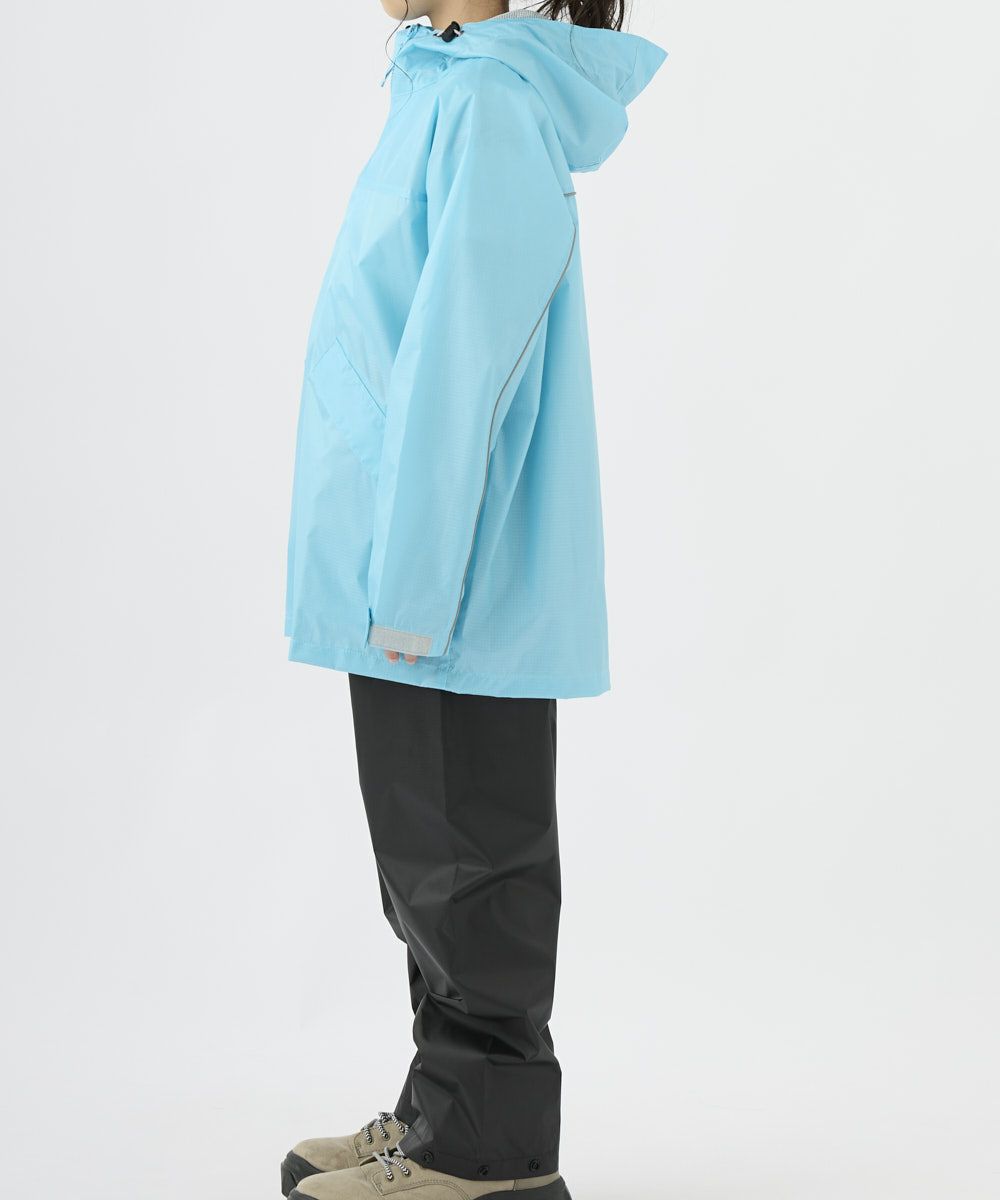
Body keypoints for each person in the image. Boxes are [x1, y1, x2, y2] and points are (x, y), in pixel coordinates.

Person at [281, 2, 665, 1197]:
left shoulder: (491, 107)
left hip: (448, 585)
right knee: (425, 868)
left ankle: (488, 1155)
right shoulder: (442, 87)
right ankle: (440, 1112)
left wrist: (414, 586)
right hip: (402, 572)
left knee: (470, 862)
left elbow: (464, 367)